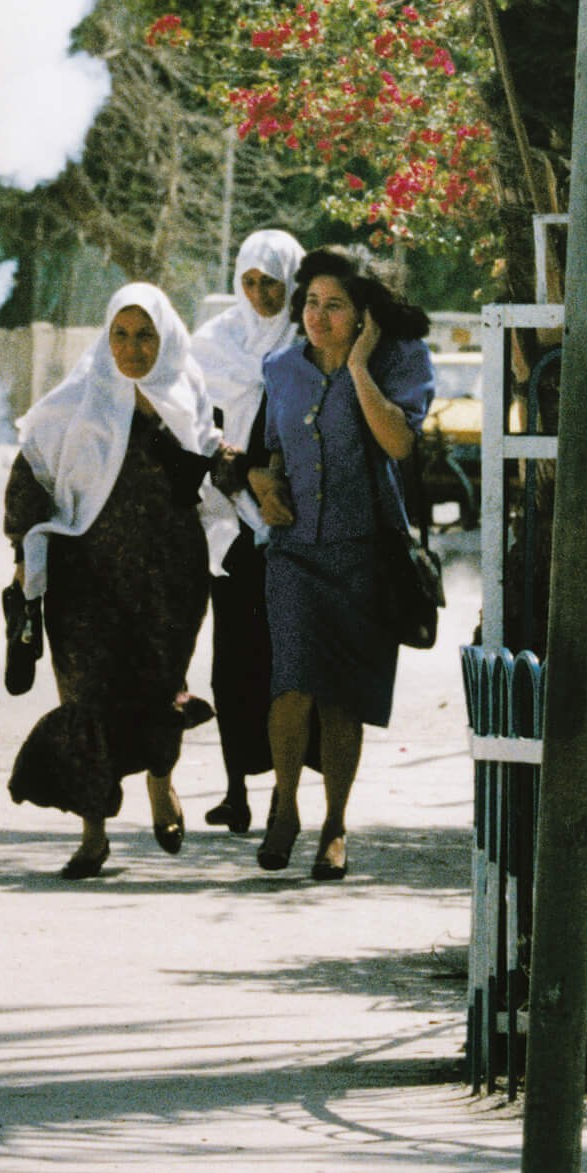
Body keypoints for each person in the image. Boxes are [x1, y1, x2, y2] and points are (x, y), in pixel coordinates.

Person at [4, 284, 236, 879]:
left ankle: (161, 781)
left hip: (169, 579)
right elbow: (31, 475)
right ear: (106, 338)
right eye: (121, 335)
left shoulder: (186, 397)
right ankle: (93, 835)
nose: (132, 348)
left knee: (157, 690)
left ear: (168, 340)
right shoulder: (71, 403)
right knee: (86, 701)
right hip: (84, 580)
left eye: (146, 336)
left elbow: (213, 468)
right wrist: (22, 556)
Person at [232, 250, 434, 882]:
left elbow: (398, 442)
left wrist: (358, 366)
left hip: (363, 553)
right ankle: (283, 809)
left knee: (342, 699)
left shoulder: (400, 363)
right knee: (290, 685)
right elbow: (268, 450)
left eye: (335, 306)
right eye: (312, 304)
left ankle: (335, 824)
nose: (318, 316)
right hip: (293, 552)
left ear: (363, 317)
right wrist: (263, 485)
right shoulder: (279, 367)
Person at [191, 228, 307, 832]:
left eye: (272, 283)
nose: (261, 294)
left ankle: (281, 795)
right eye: (251, 283)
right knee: (232, 658)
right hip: (230, 517)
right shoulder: (210, 346)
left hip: (294, 522)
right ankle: (235, 786)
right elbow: (194, 427)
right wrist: (238, 478)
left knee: (286, 661)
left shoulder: (307, 341)